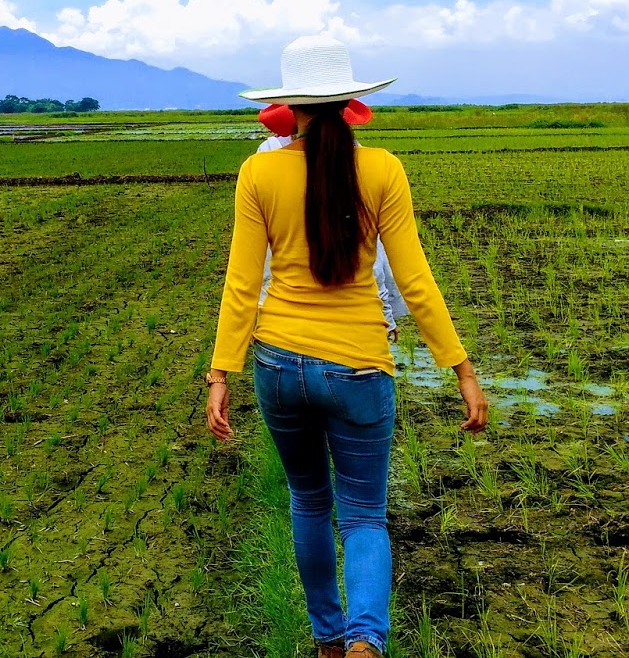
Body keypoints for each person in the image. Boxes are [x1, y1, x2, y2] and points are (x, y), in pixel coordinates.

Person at [205, 35, 488, 658]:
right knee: (363, 516)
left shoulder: (258, 172)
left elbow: (242, 282)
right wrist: (461, 369)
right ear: (349, 100)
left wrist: (221, 372)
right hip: (360, 366)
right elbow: (414, 280)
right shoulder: (382, 169)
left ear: (291, 107)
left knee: (309, 502)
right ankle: (366, 642)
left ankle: (329, 642)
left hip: (278, 365)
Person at [256, 102, 406, 342]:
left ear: (293, 109)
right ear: (343, 110)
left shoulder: (266, 157)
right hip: (354, 331)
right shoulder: (360, 157)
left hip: (282, 329)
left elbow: (260, 257)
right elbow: (372, 253)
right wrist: (385, 314)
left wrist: (257, 315)